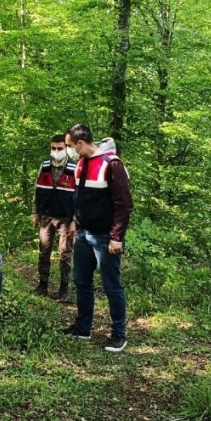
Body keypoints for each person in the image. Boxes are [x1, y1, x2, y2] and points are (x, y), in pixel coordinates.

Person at [63, 124, 134, 352]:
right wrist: (75, 220)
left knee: (111, 285)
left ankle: (118, 334)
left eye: (69, 146)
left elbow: (123, 204)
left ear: (80, 144)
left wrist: (116, 237)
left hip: (105, 237)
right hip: (84, 234)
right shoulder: (80, 164)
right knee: (82, 281)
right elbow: (79, 197)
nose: (68, 151)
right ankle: (83, 328)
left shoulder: (112, 164)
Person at [31, 134, 76, 300]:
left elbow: (80, 196)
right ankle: (43, 284)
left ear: (66, 149)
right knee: (44, 251)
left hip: (66, 217)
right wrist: (35, 212)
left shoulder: (74, 167)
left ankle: (64, 288)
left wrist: (75, 221)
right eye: (53, 148)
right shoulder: (44, 165)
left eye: (60, 148)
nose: (56, 151)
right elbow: (37, 190)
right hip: (46, 216)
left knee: (65, 253)